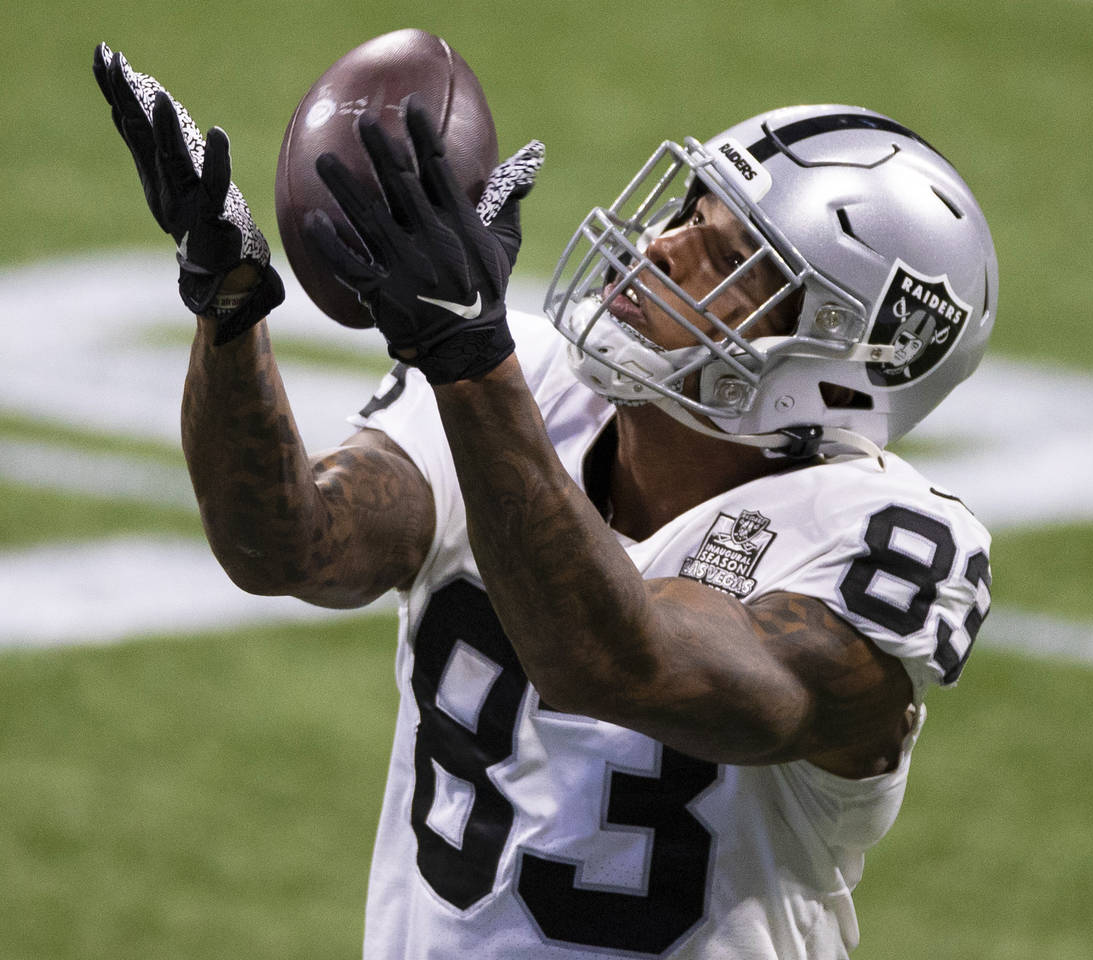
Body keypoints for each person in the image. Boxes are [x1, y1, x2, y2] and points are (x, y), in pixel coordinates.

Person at [93, 40, 996, 960]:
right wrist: (229, 300)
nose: (657, 247)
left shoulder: (880, 541)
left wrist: (469, 361)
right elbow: (287, 546)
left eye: (726, 258)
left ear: (831, 362)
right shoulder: (531, 386)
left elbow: (616, 663)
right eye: (686, 212)